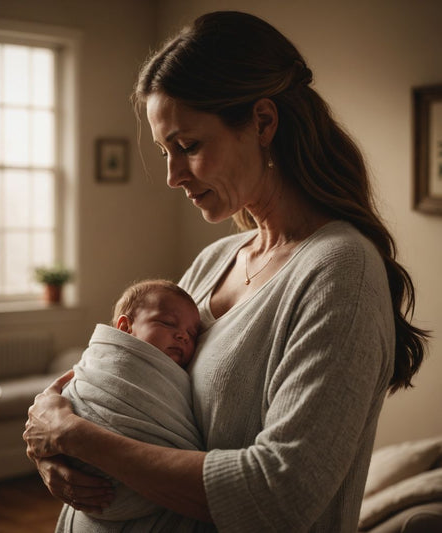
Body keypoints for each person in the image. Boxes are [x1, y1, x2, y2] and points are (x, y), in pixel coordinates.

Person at [23, 11, 428, 532]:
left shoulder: (341, 273)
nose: (171, 175)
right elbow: (119, 384)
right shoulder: (217, 260)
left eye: (187, 146)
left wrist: (75, 439)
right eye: (165, 151)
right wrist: (48, 439)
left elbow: (279, 496)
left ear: (262, 122)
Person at [59, 279, 202, 524]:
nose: (183, 336)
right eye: (168, 323)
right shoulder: (105, 361)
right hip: (87, 485)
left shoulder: (172, 377)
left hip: (160, 489)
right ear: (125, 327)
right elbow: (76, 395)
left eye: (192, 333)